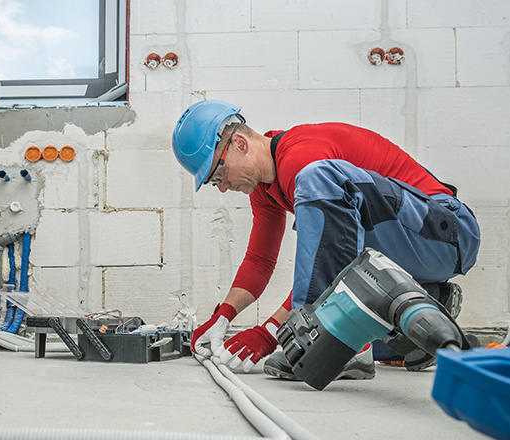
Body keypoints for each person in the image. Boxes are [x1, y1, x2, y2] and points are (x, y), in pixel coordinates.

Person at [172, 100, 480, 379]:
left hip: (449, 232)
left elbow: (326, 255)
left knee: (316, 178)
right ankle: (429, 300)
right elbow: (260, 260)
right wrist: (223, 316)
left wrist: (270, 332)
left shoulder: (301, 159)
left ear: (239, 144)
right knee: (379, 337)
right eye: (214, 183)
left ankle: (328, 340)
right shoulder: (265, 187)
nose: (222, 186)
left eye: (217, 174)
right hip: (412, 247)